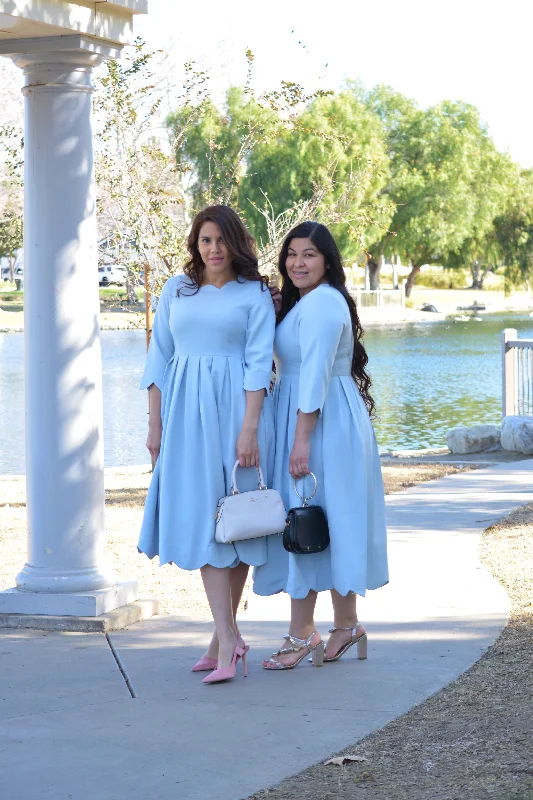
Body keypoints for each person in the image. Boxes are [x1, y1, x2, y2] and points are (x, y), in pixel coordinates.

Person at [138, 205, 276, 684]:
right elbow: (159, 357)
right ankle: (227, 637)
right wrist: (155, 425)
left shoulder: (254, 292)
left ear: (235, 243)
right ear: (195, 245)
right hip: (184, 415)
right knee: (203, 519)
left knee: (233, 522)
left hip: (237, 413)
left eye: (220, 240)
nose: (213, 249)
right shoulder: (178, 288)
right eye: (204, 241)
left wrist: (250, 429)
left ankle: (224, 644)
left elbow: (260, 362)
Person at [253, 221, 389, 670]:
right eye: (291, 254)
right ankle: (345, 625)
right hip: (311, 417)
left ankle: (303, 633)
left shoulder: (325, 304)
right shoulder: (307, 304)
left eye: (308, 254)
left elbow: (312, 376)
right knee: (322, 522)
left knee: (308, 523)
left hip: (321, 424)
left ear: (327, 260)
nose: (297, 262)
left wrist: (301, 441)